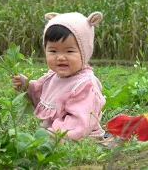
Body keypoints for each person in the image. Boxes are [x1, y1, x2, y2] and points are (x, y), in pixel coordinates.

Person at [10, 11, 105, 140]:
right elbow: (43, 97)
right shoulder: (52, 78)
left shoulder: (84, 86)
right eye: (53, 51)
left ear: (84, 52)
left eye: (69, 51)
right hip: (53, 136)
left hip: (78, 140)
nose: (60, 57)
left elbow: (80, 122)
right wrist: (26, 85)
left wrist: (53, 136)